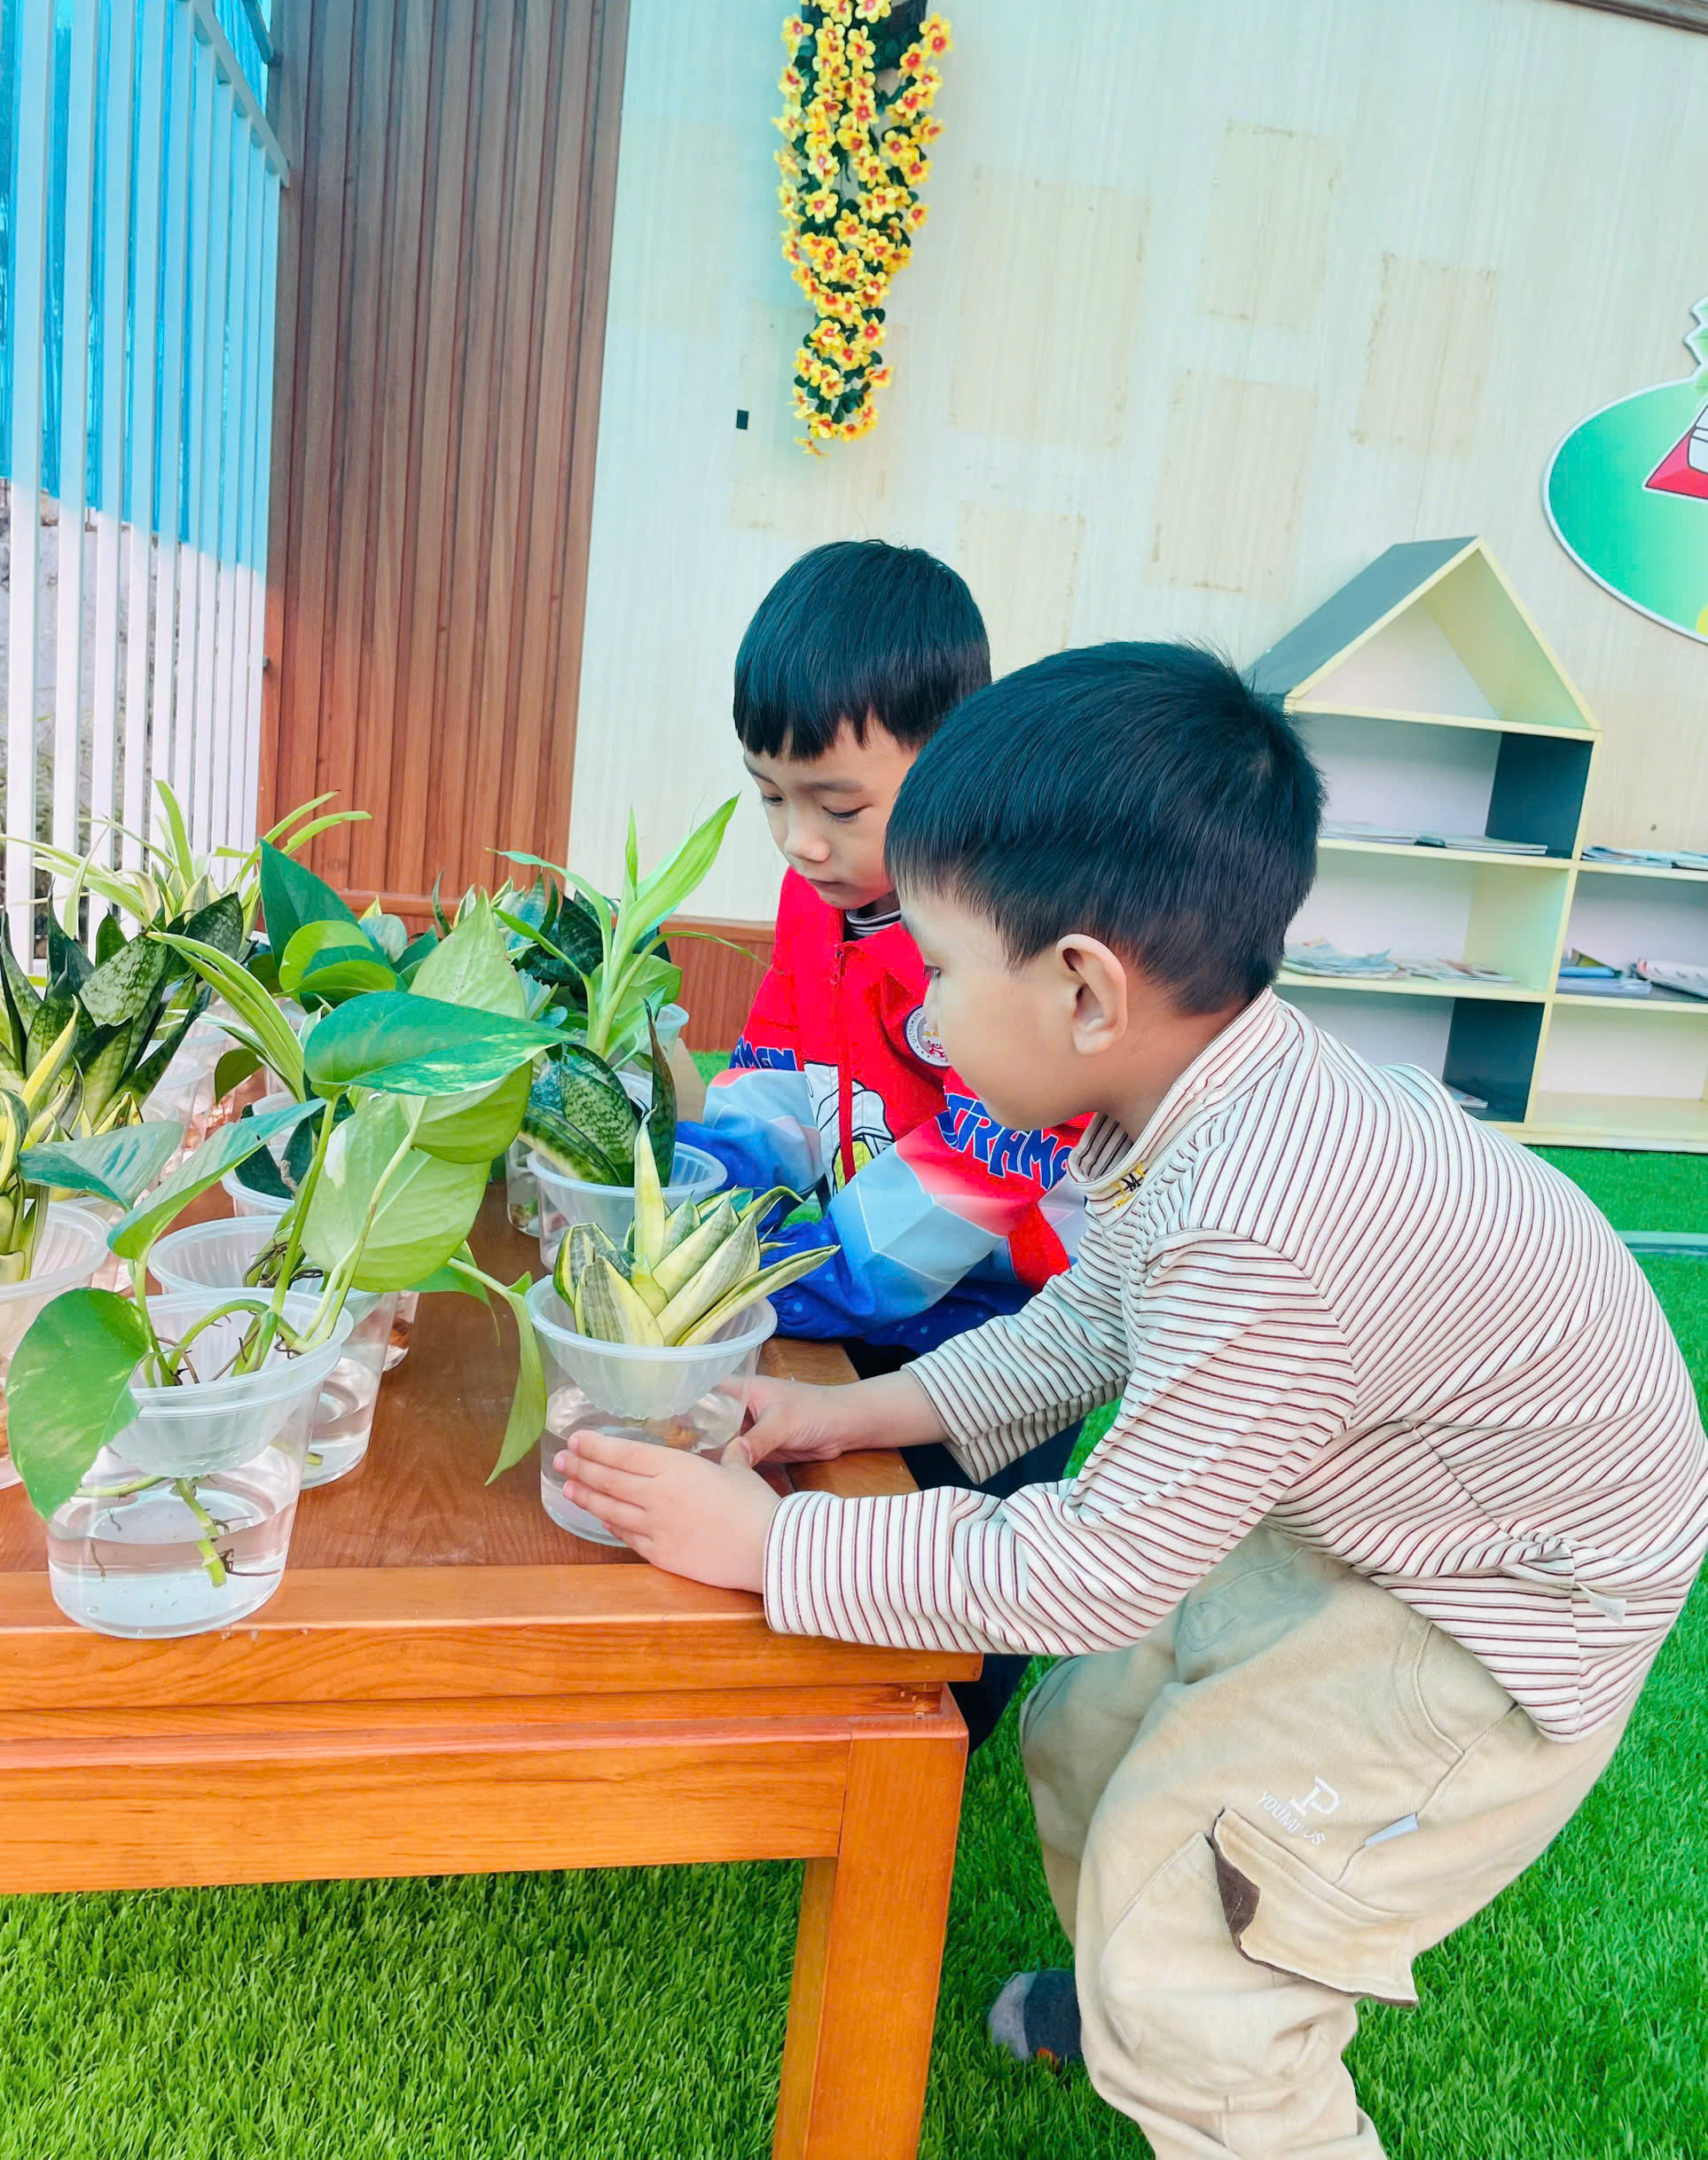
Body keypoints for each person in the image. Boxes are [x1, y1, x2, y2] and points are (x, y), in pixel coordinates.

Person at [557, 641, 1708, 2160]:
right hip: (1373, 1498)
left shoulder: (1261, 1223)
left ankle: (1184, 2025)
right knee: (1085, 1736)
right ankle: (1134, 1990)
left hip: (1492, 1606)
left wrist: (770, 1545)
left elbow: (1094, 1565)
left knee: (1208, 1950)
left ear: (1087, 989)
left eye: (944, 972)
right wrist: (848, 1419)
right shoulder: (1198, 1101)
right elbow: (1088, 1323)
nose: (925, 1024)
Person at [675, 537, 1088, 1749]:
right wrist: (726, 1181)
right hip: (854, 1280)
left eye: (838, 806)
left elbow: (991, 1153)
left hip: (1004, 1325)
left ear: (953, 762)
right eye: (770, 796)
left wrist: (790, 1267)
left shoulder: (1010, 928)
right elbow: (774, 1056)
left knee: (967, 1567)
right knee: (845, 1510)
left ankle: (946, 1745)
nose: (798, 841)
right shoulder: (823, 897)